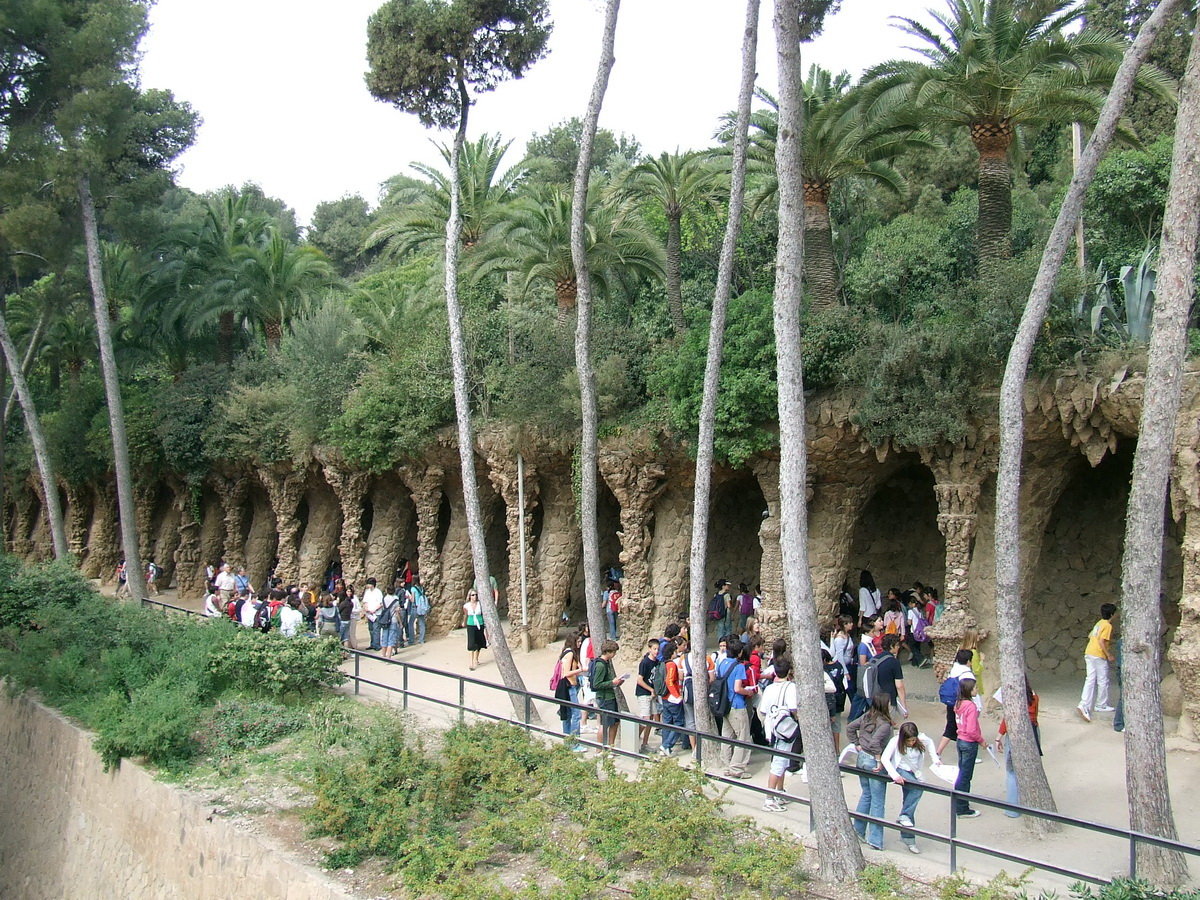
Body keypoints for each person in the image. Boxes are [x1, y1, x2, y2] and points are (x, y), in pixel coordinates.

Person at [882, 722, 942, 854]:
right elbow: (885, 758)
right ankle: (904, 817)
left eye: (913, 740)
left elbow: (930, 743)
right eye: (908, 741)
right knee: (917, 789)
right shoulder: (895, 741)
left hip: (914, 772)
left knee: (910, 803)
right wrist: (895, 775)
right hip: (900, 770)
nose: (911, 743)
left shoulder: (921, 739)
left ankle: (908, 837)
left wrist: (935, 759)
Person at [846, 691, 895, 850]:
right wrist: (879, 760)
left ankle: (858, 830)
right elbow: (875, 743)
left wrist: (857, 744)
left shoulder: (867, 716)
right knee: (878, 800)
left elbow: (850, 727)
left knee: (866, 794)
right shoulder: (884, 725)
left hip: (862, 758)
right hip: (874, 761)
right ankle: (875, 839)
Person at [996, 677, 1040, 818]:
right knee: (1031, 769)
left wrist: (999, 736)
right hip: (1033, 732)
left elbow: (1007, 718)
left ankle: (1012, 809)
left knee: (1011, 772)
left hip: (1015, 734)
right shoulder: (1034, 697)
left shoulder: (1013, 699)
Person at [760, 655, 798, 812]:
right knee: (778, 763)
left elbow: (763, 710)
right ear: (789, 671)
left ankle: (779, 791)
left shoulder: (769, 688)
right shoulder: (791, 687)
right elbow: (794, 708)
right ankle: (769, 799)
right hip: (785, 730)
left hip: (772, 728)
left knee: (781, 761)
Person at [720, 638, 756, 779]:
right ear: (740, 652)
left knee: (727, 736)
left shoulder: (722, 663)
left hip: (725, 705)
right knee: (743, 737)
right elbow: (737, 688)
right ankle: (737, 768)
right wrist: (748, 692)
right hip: (737, 705)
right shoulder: (739, 666)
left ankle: (727, 764)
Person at [953, 679, 988, 818]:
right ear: (969, 690)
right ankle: (962, 808)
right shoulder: (971, 706)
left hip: (960, 740)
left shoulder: (958, 704)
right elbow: (972, 730)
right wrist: (982, 741)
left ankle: (958, 801)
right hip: (969, 742)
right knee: (966, 776)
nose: (976, 690)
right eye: (974, 688)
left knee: (961, 773)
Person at [1078, 603, 1117, 722]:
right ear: (1111, 614)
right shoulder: (1107, 625)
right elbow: (1101, 641)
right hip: (1098, 654)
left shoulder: (1099, 623)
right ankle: (1101, 704)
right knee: (1102, 680)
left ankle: (1084, 703)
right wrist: (1108, 654)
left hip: (1089, 652)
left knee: (1090, 679)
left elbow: (1091, 636)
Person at [935, 650, 977, 756]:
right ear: (968, 661)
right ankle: (968, 753)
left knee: (951, 727)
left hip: (952, 703)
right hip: (963, 705)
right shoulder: (967, 675)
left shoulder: (955, 669)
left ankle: (938, 752)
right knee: (967, 729)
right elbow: (972, 693)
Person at [591, 640, 628, 751]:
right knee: (604, 724)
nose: (614, 655)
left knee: (615, 722)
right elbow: (596, 684)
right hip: (605, 698)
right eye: (613, 652)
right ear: (608, 652)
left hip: (610, 697)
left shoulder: (606, 663)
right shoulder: (601, 665)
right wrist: (613, 683)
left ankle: (611, 747)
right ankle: (599, 749)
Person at [554, 635, 585, 749]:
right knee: (576, 714)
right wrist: (580, 670)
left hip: (566, 686)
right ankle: (574, 743)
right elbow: (566, 673)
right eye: (578, 641)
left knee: (566, 714)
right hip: (568, 686)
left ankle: (567, 741)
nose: (580, 643)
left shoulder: (566, 652)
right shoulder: (570, 653)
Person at [658, 641, 687, 756]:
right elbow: (669, 681)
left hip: (664, 697)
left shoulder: (663, 663)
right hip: (671, 698)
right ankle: (666, 745)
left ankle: (665, 747)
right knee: (679, 722)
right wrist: (677, 695)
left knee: (667, 722)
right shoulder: (671, 665)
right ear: (672, 652)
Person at [635, 639, 661, 754]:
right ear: (650, 649)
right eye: (654, 649)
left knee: (650, 720)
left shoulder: (657, 662)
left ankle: (644, 743)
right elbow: (639, 680)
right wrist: (651, 689)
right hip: (643, 693)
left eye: (658, 649)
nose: (656, 651)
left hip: (652, 694)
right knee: (645, 719)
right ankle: (635, 738)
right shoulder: (645, 663)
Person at [874, 634, 908, 718]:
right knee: (886, 726)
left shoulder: (875, 658)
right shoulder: (894, 662)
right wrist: (903, 706)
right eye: (897, 645)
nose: (899, 647)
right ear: (891, 646)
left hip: (875, 697)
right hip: (888, 698)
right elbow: (899, 686)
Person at [463, 588, 487, 670]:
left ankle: (476, 659)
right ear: (469, 596)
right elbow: (466, 615)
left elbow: (483, 614)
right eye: (473, 595)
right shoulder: (466, 606)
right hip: (471, 624)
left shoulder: (480, 604)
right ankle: (473, 661)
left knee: (479, 642)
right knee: (472, 643)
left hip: (479, 624)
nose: (475, 596)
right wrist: (464, 622)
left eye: (476, 595)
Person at [362, 578, 384, 651]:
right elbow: (365, 601)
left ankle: (377, 645)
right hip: (369, 614)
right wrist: (366, 608)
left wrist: (374, 609)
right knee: (371, 629)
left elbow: (381, 604)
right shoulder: (367, 592)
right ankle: (372, 643)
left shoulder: (378, 592)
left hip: (376, 613)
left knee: (376, 629)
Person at [379, 588, 400, 658]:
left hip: (385, 620)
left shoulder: (384, 599)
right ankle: (388, 656)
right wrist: (400, 622)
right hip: (393, 619)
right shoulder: (396, 600)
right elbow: (397, 612)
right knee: (391, 638)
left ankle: (383, 655)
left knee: (384, 637)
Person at [410, 576, 430, 644]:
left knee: (410, 623)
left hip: (415, 607)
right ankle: (421, 639)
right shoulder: (421, 588)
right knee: (422, 623)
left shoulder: (413, 588)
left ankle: (411, 640)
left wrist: (408, 597)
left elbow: (413, 600)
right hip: (421, 607)